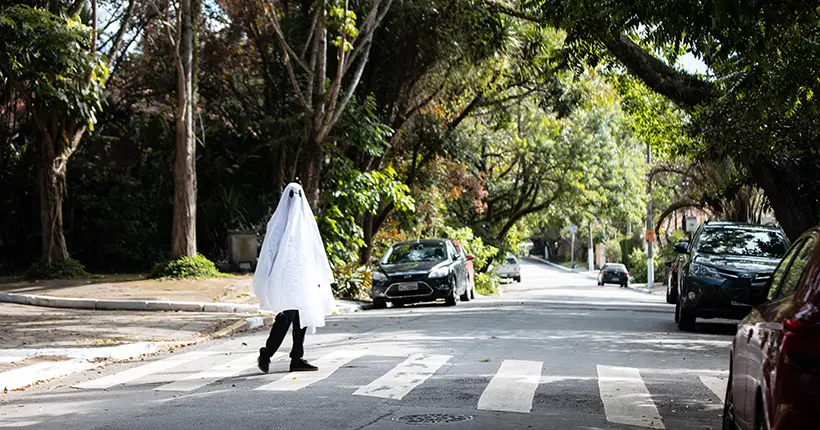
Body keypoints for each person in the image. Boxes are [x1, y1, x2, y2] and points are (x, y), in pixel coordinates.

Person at [253, 183, 335, 373]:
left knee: (302, 318)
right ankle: (266, 353)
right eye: (291, 195)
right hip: (284, 280)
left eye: (297, 194)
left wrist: (318, 277)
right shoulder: (278, 224)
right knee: (285, 317)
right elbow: (269, 252)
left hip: (303, 279)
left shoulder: (306, 224)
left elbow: (314, 251)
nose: (294, 199)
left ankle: (297, 358)